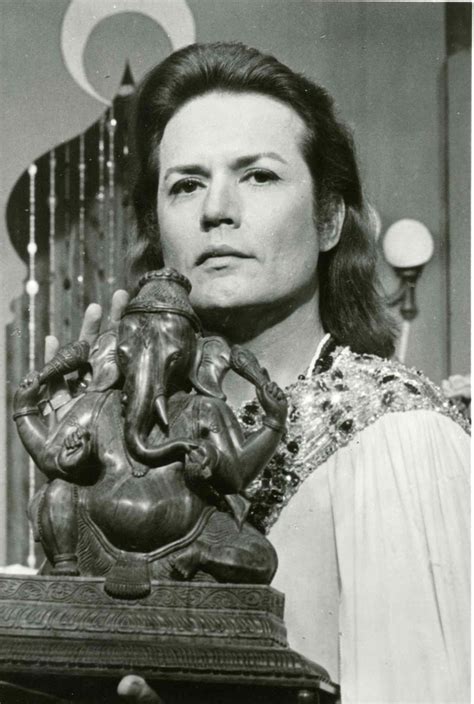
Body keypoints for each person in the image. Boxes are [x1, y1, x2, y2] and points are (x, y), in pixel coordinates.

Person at [45, 43, 469, 703]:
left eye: (259, 176)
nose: (216, 209)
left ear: (329, 219)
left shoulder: (399, 439)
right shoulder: (129, 426)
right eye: (186, 184)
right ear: (157, 233)